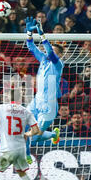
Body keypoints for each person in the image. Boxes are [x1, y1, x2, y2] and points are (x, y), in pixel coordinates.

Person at [24, 17, 63, 163]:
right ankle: (26, 154)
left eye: (53, 51)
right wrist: (29, 32)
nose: (49, 52)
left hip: (49, 106)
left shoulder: (58, 64)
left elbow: (51, 53)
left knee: (34, 136)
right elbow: (31, 46)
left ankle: (53, 135)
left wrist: (42, 34)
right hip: (36, 101)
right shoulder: (43, 60)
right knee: (22, 124)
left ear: (59, 55)